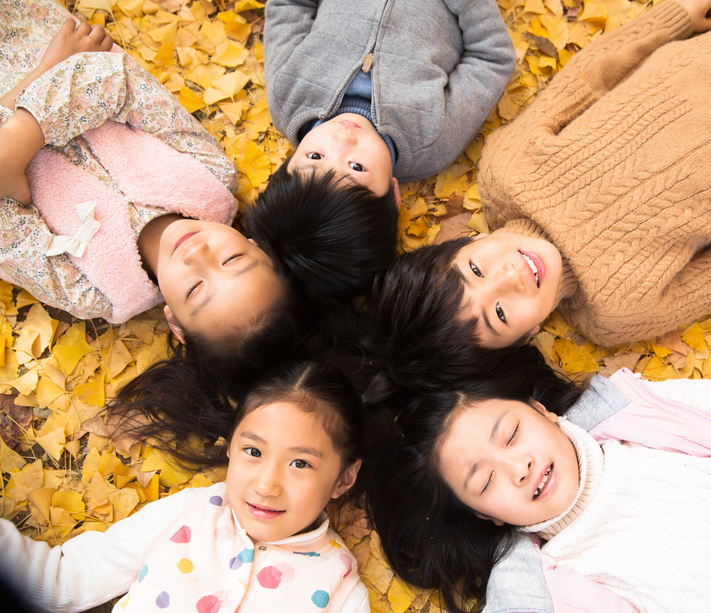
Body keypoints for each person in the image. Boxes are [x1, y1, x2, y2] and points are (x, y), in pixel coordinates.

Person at [366, 0, 711, 370]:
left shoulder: (506, 171)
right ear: (526, 339)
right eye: (500, 315)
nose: (508, 278)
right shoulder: (617, 313)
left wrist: (674, 17)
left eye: (474, 270)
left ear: (462, 244)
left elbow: (591, 76)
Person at [0, 0, 398, 400]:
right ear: (255, 245)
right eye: (233, 260)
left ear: (175, 323)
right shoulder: (212, 177)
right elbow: (120, 82)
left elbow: (6, 231)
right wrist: (19, 138)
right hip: (39, 37)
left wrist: (36, 83)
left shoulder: (97, 292)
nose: (198, 255)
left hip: (50, 62)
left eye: (194, 289)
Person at [366, 346, 711, 613]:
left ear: (542, 411)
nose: (518, 467)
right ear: (483, 516)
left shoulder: (639, 409)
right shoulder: (538, 579)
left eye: (511, 434)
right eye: (485, 482)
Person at [0, 361, 375, 613]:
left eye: (300, 463)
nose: (266, 485)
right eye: (253, 451)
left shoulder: (339, 586)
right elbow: (64, 581)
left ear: (345, 478)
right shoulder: (189, 512)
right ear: (230, 447)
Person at [263, 0, 517, 192]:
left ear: (288, 162)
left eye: (315, 157)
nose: (342, 139)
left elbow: (287, 6)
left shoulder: (286, 93)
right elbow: (492, 58)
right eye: (356, 167)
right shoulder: (434, 139)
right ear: (393, 195)